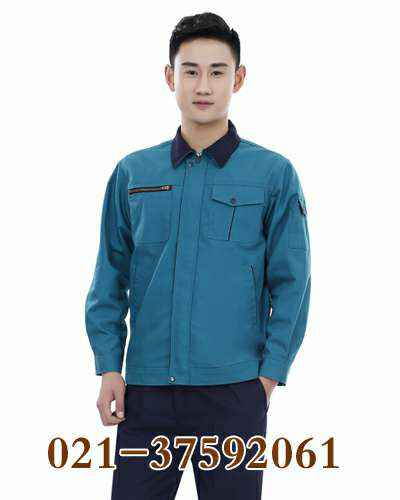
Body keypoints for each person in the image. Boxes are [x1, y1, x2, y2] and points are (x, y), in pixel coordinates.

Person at [85, 11, 311, 500]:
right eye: (190, 71)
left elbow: (293, 283)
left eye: (216, 71)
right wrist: (109, 367)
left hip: (235, 392)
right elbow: (110, 277)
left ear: (238, 78)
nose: (203, 85)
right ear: (170, 77)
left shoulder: (273, 175)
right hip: (147, 394)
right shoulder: (133, 173)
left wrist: (267, 378)